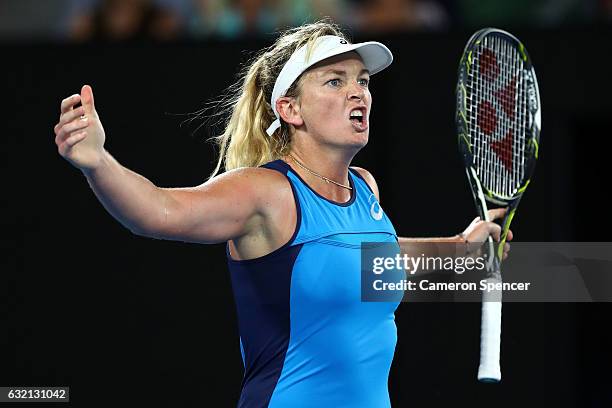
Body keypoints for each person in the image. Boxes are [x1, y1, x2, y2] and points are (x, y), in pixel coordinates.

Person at [53, 20, 511, 408]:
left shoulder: (364, 188)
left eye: (363, 81)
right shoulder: (265, 192)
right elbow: (157, 211)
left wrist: (459, 251)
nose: (359, 93)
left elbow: (375, 264)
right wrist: (98, 162)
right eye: (335, 81)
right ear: (289, 109)